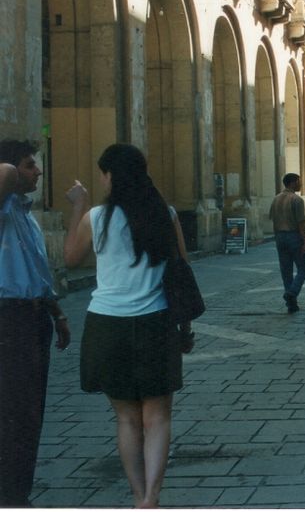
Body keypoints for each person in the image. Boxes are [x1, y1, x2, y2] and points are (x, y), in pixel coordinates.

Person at [63, 143, 189, 508]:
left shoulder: (96, 218)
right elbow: (181, 270)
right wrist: (185, 329)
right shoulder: (165, 214)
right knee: (159, 417)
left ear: (109, 176)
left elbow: (70, 259)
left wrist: (78, 207)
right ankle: (152, 497)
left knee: (127, 420)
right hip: (156, 323)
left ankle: (137, 497)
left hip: (107, 326)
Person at [0, 139, 71, 507]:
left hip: (33, 318)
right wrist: (9, 164)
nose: (38, 172)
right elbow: (4, 172)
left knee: (29, 410)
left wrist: (56, 313)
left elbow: (38, 272)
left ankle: (17, 491)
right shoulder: (3, 208)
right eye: (30, 165)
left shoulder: (26, 216)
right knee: (10, 408)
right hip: (6, 318)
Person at [268, 173, 305, 314]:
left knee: (286, 271)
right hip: (293, 236)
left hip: (280, 236)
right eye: (299, 181)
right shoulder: (296, 199)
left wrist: (276, 237)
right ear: (293, 182)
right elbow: (301, 223)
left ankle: (291, 304)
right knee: (304, 269)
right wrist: (304, 241)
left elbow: (273, 220)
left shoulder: (276, 199)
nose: (301, 184)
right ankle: (292, 292)